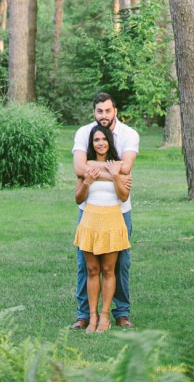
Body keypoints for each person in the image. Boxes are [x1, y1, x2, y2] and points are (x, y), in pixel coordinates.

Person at [71, 92, 141, 330]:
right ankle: (84, 315)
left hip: (119, 212)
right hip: (89, 211)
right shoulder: (84, 133)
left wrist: (93, 170)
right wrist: (113, 171)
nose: (103, 115)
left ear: (115, 111)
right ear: (94, 112)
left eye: (107, 111)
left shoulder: (129, 134)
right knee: (86, 265)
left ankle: (120, 313)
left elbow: (127, 166)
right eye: (99, 111)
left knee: (119, 265)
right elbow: (79, 167)